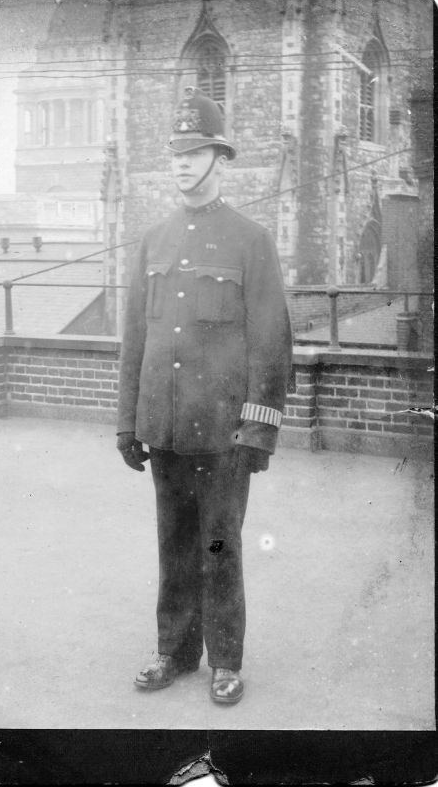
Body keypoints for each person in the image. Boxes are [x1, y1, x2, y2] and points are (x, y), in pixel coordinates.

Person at [116, 86, 292, 705]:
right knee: (173, 544)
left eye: (195, 152)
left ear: (221, 157)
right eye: (176, 153)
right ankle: (173, 652)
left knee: (219, 544)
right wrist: (126, 422)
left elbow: (271, 343)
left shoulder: (251, 241)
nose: (182, 163)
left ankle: (225, 660)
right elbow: (135, 336)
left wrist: (258, 428)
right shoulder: (154, 240)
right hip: (164, 426)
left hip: (222, 433)